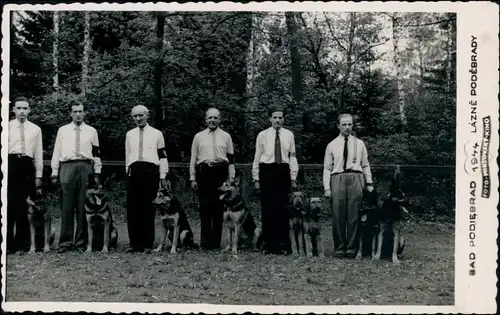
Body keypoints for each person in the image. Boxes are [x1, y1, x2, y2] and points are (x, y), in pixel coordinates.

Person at [51, 100, 102, 253]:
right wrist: (54, 172)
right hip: (67, 167)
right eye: (75, 111)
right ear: (70, 113)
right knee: (66, 206)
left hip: (86, 167)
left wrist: (97, 172)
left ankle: (81, 242)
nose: (78, 114)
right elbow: (57, 151)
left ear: (84, 112)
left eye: (80, 111)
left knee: (83, 205)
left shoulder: (92, 131)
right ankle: (65, 242)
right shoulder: (63, 130)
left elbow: (96, 153)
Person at [323, 113, 374, 258]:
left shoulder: (359, 144)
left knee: (354, 214)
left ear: (353, 125)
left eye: (349, 124)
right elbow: (327, 168)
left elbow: (365, 164)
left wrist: (369, 182)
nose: (347, 128)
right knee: (338, 214)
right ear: (338, 126)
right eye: (344, 125)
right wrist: (327, 188)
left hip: (356, 177)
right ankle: (340, 247)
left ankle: (352, 247)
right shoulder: (331, 145)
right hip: (337, 178)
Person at [252, 106, 298, 255]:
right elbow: (257, 157)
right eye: (275, 117)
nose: (278, 120)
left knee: (283, 209)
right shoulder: (262, 135)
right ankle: (268, 244)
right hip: (267, 171)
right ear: (270, 119)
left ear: (283, 119)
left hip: (282, 171)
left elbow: (292, 157)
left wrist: (293, 177)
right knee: (267, 209)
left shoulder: (289, 135)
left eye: (280, 117)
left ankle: (283, 244)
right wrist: (256, 178)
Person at [125, 105, 170, 253]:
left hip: (150, 171)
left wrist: (163, 175)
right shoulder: (129, 134)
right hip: (134, 171)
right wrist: (128, 171)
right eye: (135, 116)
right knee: (133, 208)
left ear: (147, 115)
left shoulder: (157, 134)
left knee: (147, 207)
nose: (138, 119)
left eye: (141, 115)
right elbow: (128, 155)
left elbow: (163, 156)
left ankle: (146, 243)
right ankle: (134, 243)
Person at [189, 107, 235, 250]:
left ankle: (215, 243)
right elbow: (193, 159)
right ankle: (205, 242)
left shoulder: (226, 136)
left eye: (215, 118)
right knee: (205, 208)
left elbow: (231, 159)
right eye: (210, 118)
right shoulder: (198, 137)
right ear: (206, 120)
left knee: (218, 209)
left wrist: (231, 178)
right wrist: (193, 178)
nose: (213, 120)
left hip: (220, 173)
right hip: (204, 173)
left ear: (219, 119)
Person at [7, 96, 43, 254]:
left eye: (24, 108)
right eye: (18, 108)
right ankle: (7, 245)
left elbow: (38, 154)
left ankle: (21, 244)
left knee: (24, 205)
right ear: (13, 110)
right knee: (9, 206)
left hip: (27, 166)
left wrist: (38, 176)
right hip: (10, 164)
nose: (21, 111)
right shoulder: (6, 126)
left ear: (29, 110)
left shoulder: (35, 129)